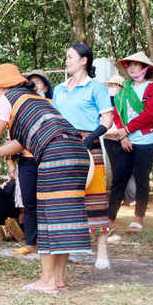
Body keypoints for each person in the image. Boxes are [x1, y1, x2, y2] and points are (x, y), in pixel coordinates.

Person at [0, 64, 91, 293]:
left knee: (47, 216)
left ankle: (46, 281)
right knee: (62, 218)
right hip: (76, 152)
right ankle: (58, 279)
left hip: (55, 154)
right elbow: (21, 142)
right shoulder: (38, 100)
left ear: (1, 87)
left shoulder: (7, 99)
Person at [52, 44, 113, 270]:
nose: (66, 61)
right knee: (64, 198)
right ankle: (67, 249)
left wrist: (91, 137)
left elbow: (107, 119)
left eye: (70, 57)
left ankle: (102, 254)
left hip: (90, 145)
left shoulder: (96, 88)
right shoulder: (59, 89)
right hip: (63, 145)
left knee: (96, 196)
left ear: (84, 60)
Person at [0, 69, 53, 255]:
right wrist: (10, 161)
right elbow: (14, 138)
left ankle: (48, 242)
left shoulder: (41, 103)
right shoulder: (20, 103)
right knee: (28, 203)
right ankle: (31, 243)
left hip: (45, 157)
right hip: (27, 158)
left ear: (2, 87)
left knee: (47, 203)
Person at [108, 52, 153, 233]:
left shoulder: (151, 88)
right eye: (129, 64)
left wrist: (127, 130)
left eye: (136, 65)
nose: (131, 67)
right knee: (119, 179)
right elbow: (117, 114)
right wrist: (123, 136)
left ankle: (138, 219)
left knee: (141, 179)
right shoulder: (123, 90)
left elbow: (149, 114)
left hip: (145, 140)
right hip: (125, 140)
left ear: (146, 68)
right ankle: (110, 219)